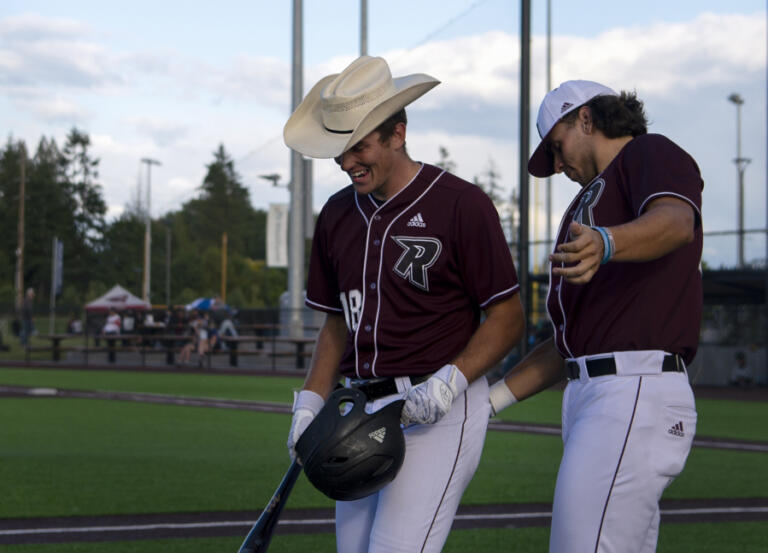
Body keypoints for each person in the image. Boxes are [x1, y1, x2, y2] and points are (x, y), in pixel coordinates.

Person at [282, 55, 524, 553]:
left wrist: (451, 380)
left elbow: (508, 315)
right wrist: (309, 404)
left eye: (358, 146)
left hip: (439, 410)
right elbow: (335, 324)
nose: (347, 162)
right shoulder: (334, 214)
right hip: (357, 411)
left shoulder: (461, 204)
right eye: (340, 150)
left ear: (398, 132)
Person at [488, 80, 702, 553]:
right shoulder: (590, 200)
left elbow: (676, 221)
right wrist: (489, 403)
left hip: (632, 388)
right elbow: (571, 343)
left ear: (585, 118)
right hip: (598, 392)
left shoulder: (647, 153)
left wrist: (606, 242)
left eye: (557, 147)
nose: (558, 164)